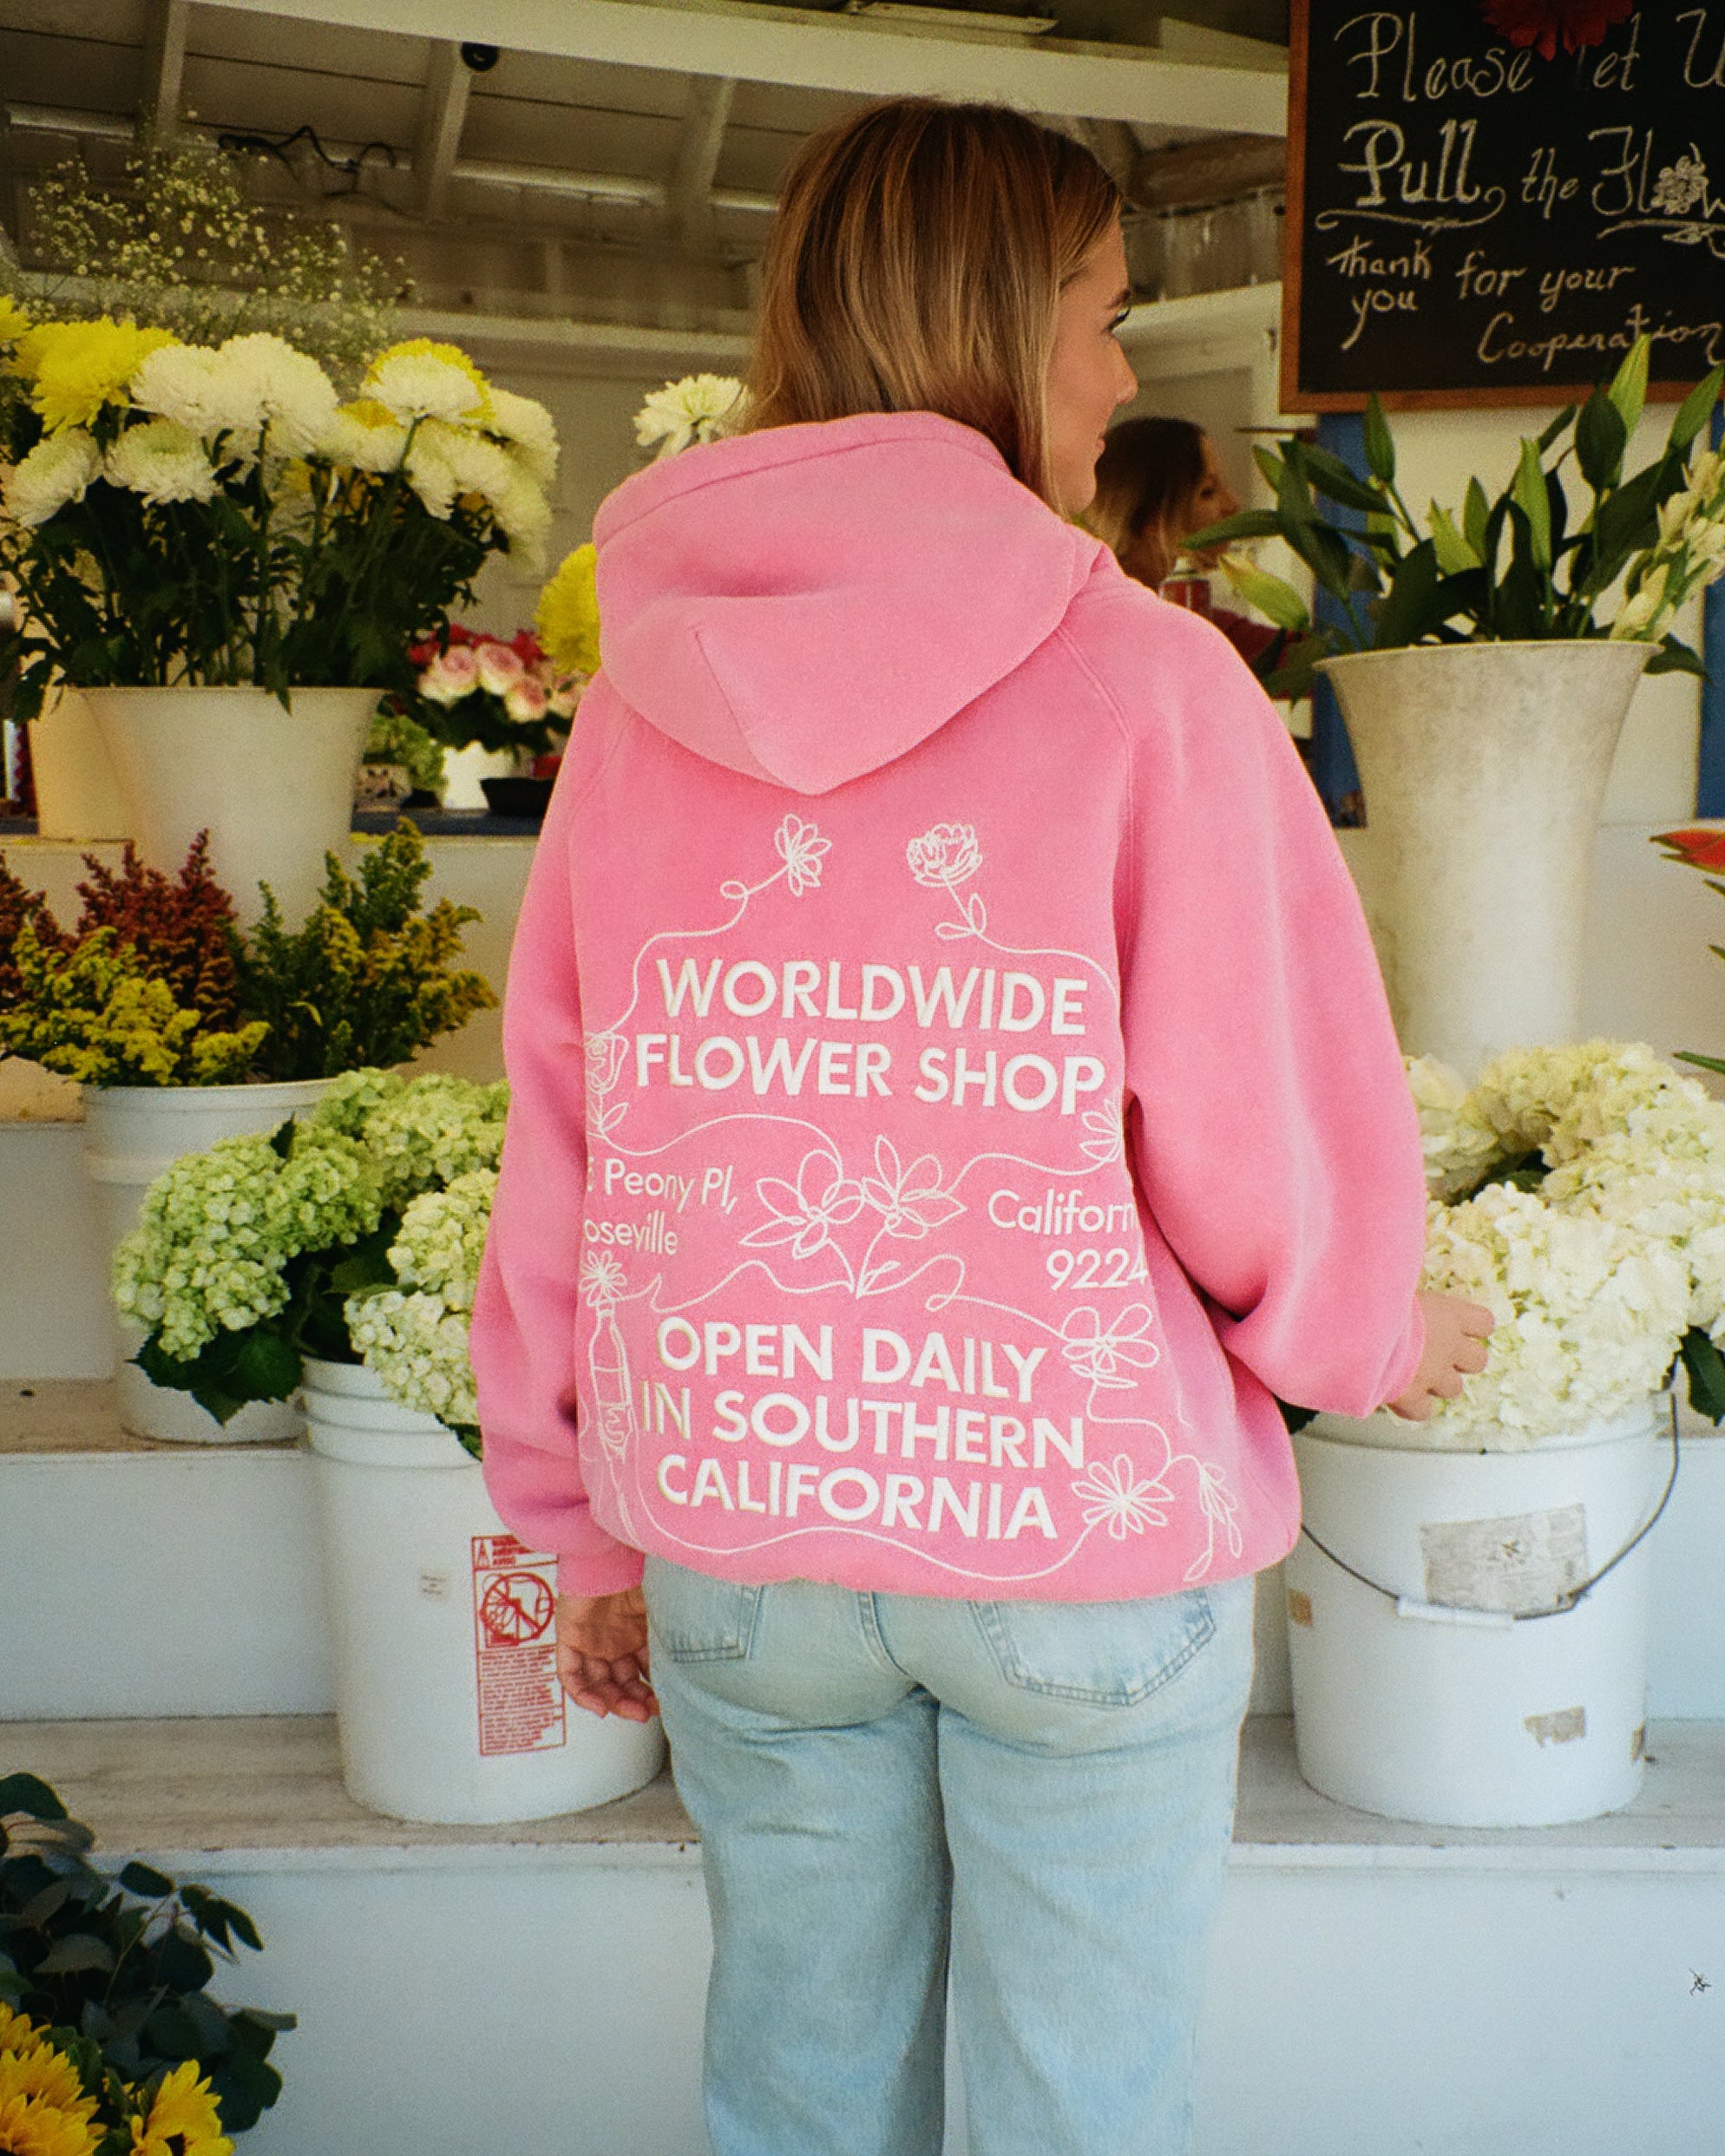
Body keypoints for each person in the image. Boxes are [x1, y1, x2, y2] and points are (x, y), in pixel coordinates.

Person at [470, 97, 1492, 2156]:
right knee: (1078, 2113)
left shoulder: (632, 704)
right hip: (1072, 1537)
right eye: (1102, 319)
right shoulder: (1150, 685)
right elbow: (1255, 1124)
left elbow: (570, 1125)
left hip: (741, 1532)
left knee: (796, 2091)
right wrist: (1370, 1334)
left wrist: (563, 1516)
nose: (1118, 381)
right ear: (999, 326)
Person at [1086, 415, 1286, 672]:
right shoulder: (1103, 622)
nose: (1232, 505)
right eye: (1208, 492)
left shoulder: (1205, 618)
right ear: (1151, 517)